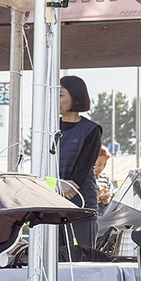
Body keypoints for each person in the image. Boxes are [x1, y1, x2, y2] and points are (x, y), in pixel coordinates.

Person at [58, 75, 103, 256]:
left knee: (84, 255)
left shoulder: (92, 129)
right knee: (56, 255)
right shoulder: (48, 128)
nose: (56, 100)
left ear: (76, 98)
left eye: (61, 95)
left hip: (81, 198)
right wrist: (58, 184)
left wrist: (69, 185)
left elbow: (84, 165)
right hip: (54, 197)